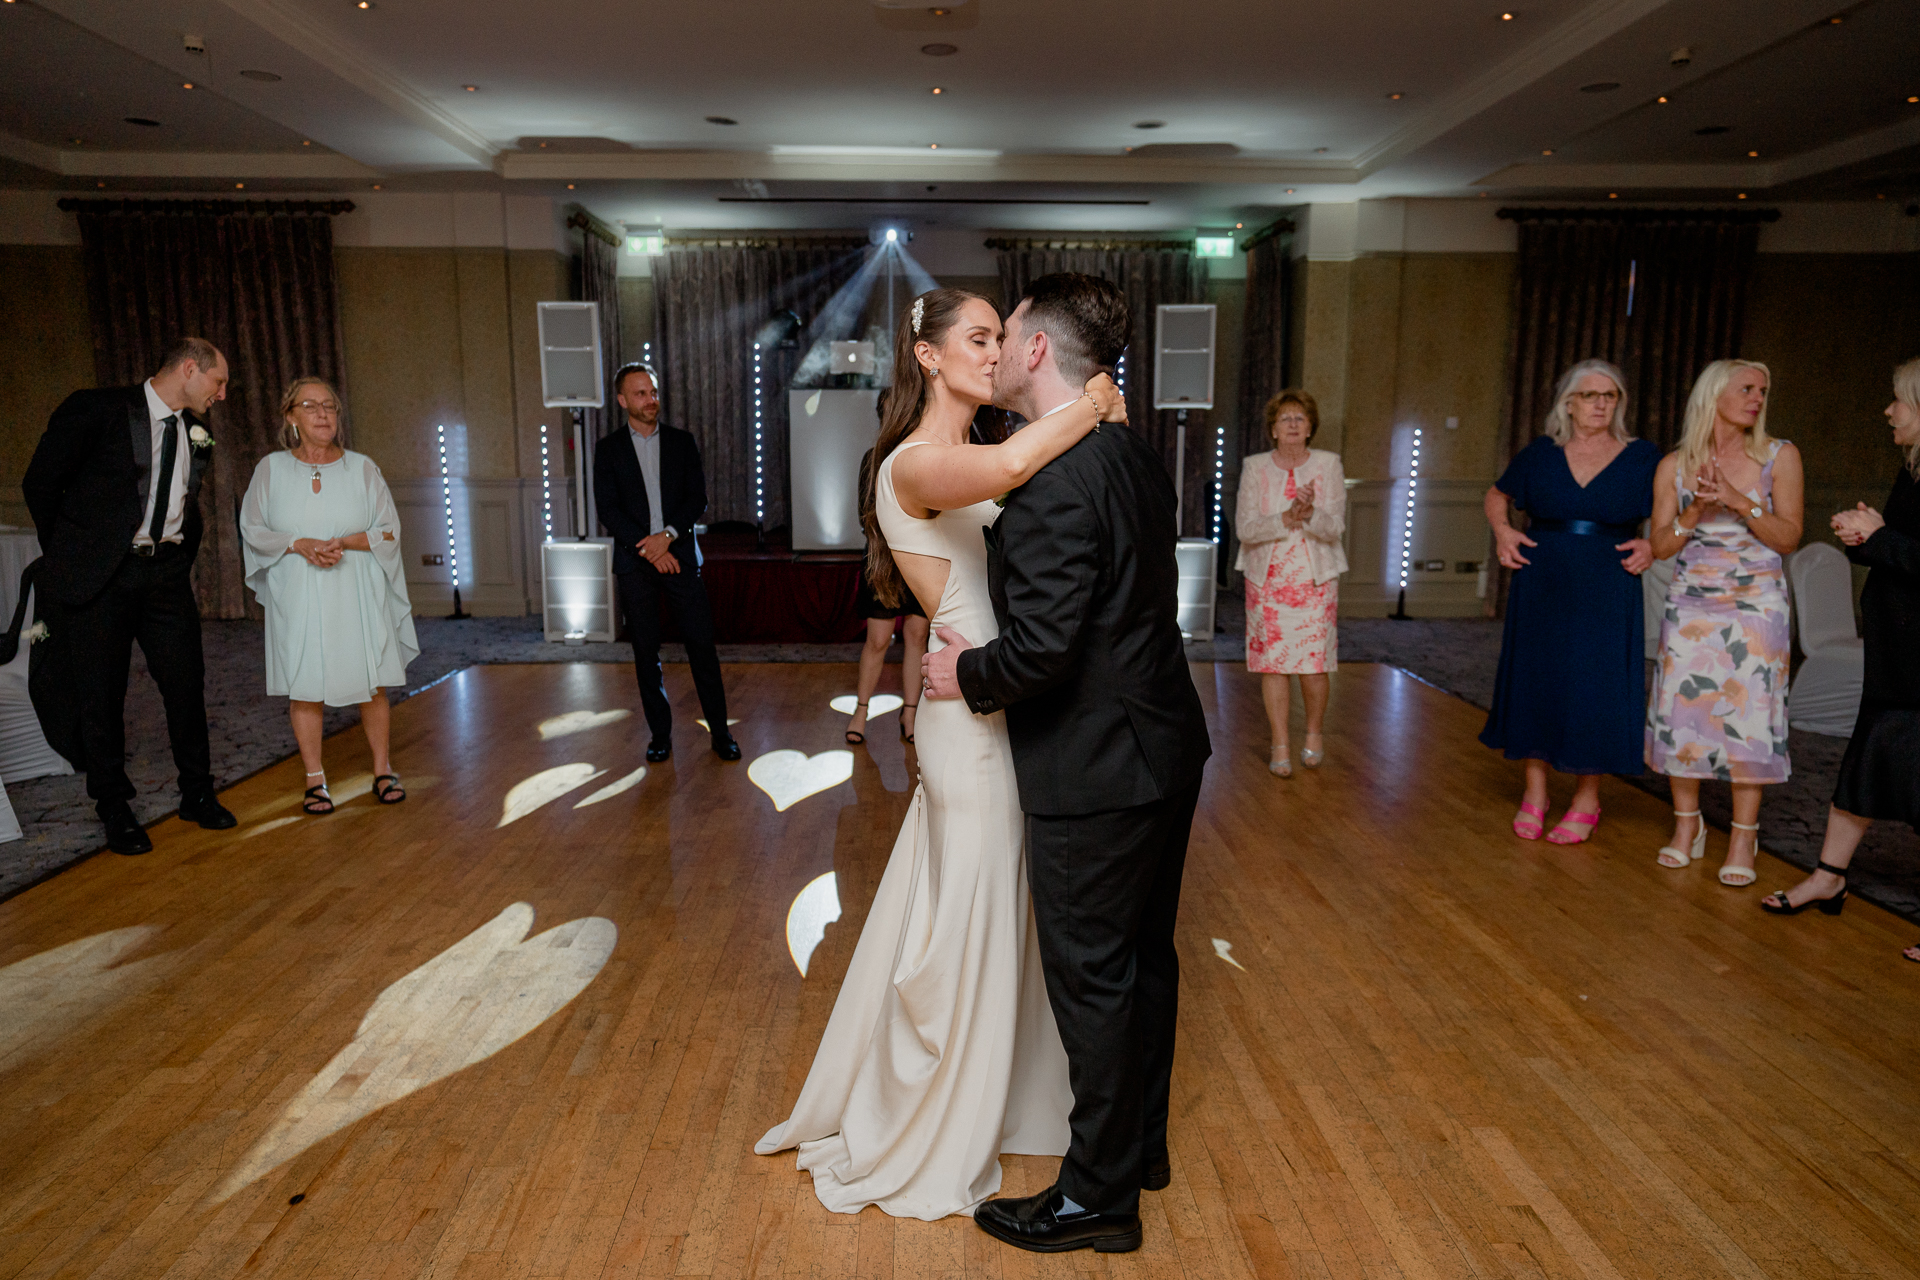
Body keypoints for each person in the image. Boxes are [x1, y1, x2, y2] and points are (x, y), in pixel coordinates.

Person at [755, 288, 1124, 1223]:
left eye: (1002, 335)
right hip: (970, 721)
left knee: (992, 909)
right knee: (963, 917)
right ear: (927, 356)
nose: (995, 351)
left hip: (1000, 697)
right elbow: (1012, 461)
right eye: (977, 336)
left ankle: (990, 1097)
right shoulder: (917, 462)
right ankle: (923, 1118)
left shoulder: (966, 453)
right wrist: (1094, 400)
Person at [928, 272, 1214, 1255]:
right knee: (1144, 963)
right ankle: (1137, 1148)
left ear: (1039, 349)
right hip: (1167, 743)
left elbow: (1042, 651)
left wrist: (959, 669)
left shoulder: (1050, 481)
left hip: (1095, 765)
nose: (998, 347)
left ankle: (1098, 1196)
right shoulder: (1130, 452)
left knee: (1093, 975)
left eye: (1005, 332)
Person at [21, 336, 238, 855]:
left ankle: (197, 795)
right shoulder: (95, 409)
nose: (223, 393)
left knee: (186, 685)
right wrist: (76, 556)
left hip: (164, 577)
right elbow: (40, 484)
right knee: (102, 697)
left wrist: (178, 555)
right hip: (103, 579)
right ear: (189, 368)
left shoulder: (197, 430)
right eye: (219, 381)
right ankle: (114, 808)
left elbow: (185, 500)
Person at [1762, 357, 1920, 962]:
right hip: (1896, 652)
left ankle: (1830, 875)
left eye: (1898, 401)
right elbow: (1900, 547)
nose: (1888, 411)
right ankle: (1830, 876)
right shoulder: (1912, 470)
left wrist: (1878, 536)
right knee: (1861, 766)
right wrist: (1865, 536)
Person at [1481, 359, 1658, 843]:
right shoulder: (1541, 454)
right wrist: (1503, 532)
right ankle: (1535, 792)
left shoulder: (1644, 457)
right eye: (1590, 395)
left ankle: (1587, 798)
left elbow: (1670, 519)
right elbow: (1497, 496)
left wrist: (1653, 545)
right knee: (1539, 678)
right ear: (1569, 404)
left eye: (1610, 395)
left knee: (1594, 684)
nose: (1601, 403)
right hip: (1543, 579)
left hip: (1608, 581)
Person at [1646, 359, 1802, 885]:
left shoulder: (1780, 457)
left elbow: (1787, 538)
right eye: (1747, 389)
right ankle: (1687, 827)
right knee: (1684, 712)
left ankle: (1742, 836)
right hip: (1692, 602)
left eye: (1763, 390)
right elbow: (1660, 545)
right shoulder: (1674, 465)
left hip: (1758, 605)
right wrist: (1693, 513)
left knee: (1748, 718)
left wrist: (1737, 502)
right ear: (1714, 395)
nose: (1758, 398)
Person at [240, 378, 418, 813]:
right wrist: (300, 544)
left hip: (355, 584)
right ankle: (315, 779)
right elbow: (253, 528)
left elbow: (389, 529)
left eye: (330, 406)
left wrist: (345, 542)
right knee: (305, 683)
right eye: (311, 406)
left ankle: (382, 768)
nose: (322, 414)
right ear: (291, 416)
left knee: (370, 682)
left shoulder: (361, 468)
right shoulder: (271, 469)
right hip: (298, 588)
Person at [593, 363, 740, 763]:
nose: (650, 400)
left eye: (653, 392)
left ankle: (721, 733)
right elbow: (608, 509)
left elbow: (697, 499)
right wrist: (650, 550)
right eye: (640, 394)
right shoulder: (608, 449)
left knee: (701, 648)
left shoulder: (681, 442)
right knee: (645, 654)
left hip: (680, 557)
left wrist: (667, 539)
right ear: (623, 401)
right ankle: (660, 735)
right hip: (636, 563)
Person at [1235, 389, 1347, 777]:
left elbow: (1335, 529)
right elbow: (1246, 530)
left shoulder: (1329, 465)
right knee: (1274, 667)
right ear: (1273, 430)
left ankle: (1314, 733)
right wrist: (1286, 517)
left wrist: (1310, 511)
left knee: (1315, 666)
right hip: (1268, 580)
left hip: (1314, 581)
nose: (1294, 424)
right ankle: (1280, 741)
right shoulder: (1255, 467)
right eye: (1286, 419)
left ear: (1311, 427)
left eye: (1300, 418)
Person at [845, 443, 928, 746]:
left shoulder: (924, 450)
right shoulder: (873, 456)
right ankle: (861, 711)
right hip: (883, 557)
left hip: (922, 554)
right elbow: (863, 514)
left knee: (917, 634)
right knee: (878, 639)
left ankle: (910, 712)